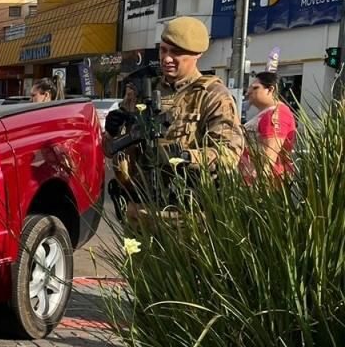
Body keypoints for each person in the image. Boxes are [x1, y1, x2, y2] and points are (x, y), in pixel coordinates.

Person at [125, 17, 244, 209]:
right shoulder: (145, 89)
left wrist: (184, 156)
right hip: (141, 206)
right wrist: (113, 132)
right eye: (163, 50)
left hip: (187, 211)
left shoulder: (212, 96)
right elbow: (114, 150)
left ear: (197, 54)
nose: (167, 58)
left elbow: (228, 154)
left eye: (176, 52)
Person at [239, 71, 297, 179]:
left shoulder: (277, 114)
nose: (248, 92)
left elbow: (269, 155)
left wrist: (261, 186)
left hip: (265, 185)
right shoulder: (266, 113)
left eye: (255, 88)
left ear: (270, 90)